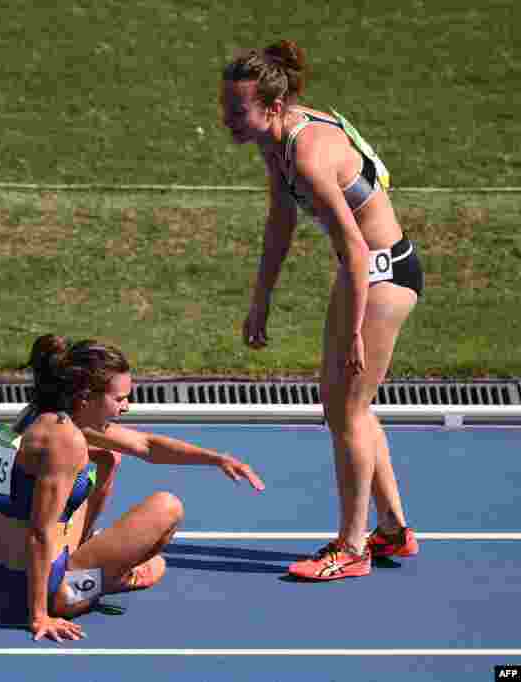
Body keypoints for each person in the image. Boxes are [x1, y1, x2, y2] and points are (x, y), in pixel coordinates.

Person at [219, 40, 423, 581]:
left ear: (272, 105)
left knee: (346, 411)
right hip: (368, 272)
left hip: (381, 273)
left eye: (236, 111)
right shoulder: (276, 138)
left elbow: (356, 248)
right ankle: (393, 531)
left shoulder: (307, 155)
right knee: (348, 405)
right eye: (224, 109)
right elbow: (280, 221)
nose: (226, 121)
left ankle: (353, 548)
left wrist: (355, 330)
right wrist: (260, 299)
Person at [0, 335, 265, 642]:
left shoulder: (43, 414)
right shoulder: (65, 441)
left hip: (1, 570)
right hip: (45, 588)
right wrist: (40, 616)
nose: (126, 407)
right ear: (86, 397)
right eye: (119, 399)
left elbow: (146, 446)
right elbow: (40, 532)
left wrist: (216, 459)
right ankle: (98, 580)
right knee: (167, 507)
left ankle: (88, 558)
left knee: (107, 458)